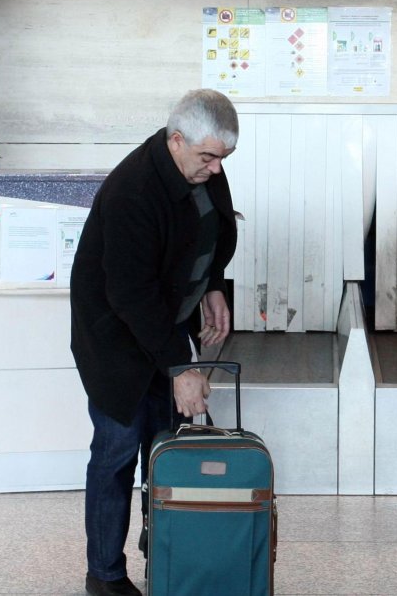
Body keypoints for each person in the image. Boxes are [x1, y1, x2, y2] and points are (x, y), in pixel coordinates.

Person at [70, 89, 239, 596]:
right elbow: (131, 295)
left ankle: (164, 547)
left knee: (164, 449)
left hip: (164, 327)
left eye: (223, 159)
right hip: (118, 342)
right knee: (118, 453)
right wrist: (180, 368)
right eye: (207, 157)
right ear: (176, 139)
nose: (215, 169)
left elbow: (213, 233)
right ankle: (104, 575)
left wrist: (213, 286)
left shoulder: (201, 167)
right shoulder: (132, 191)